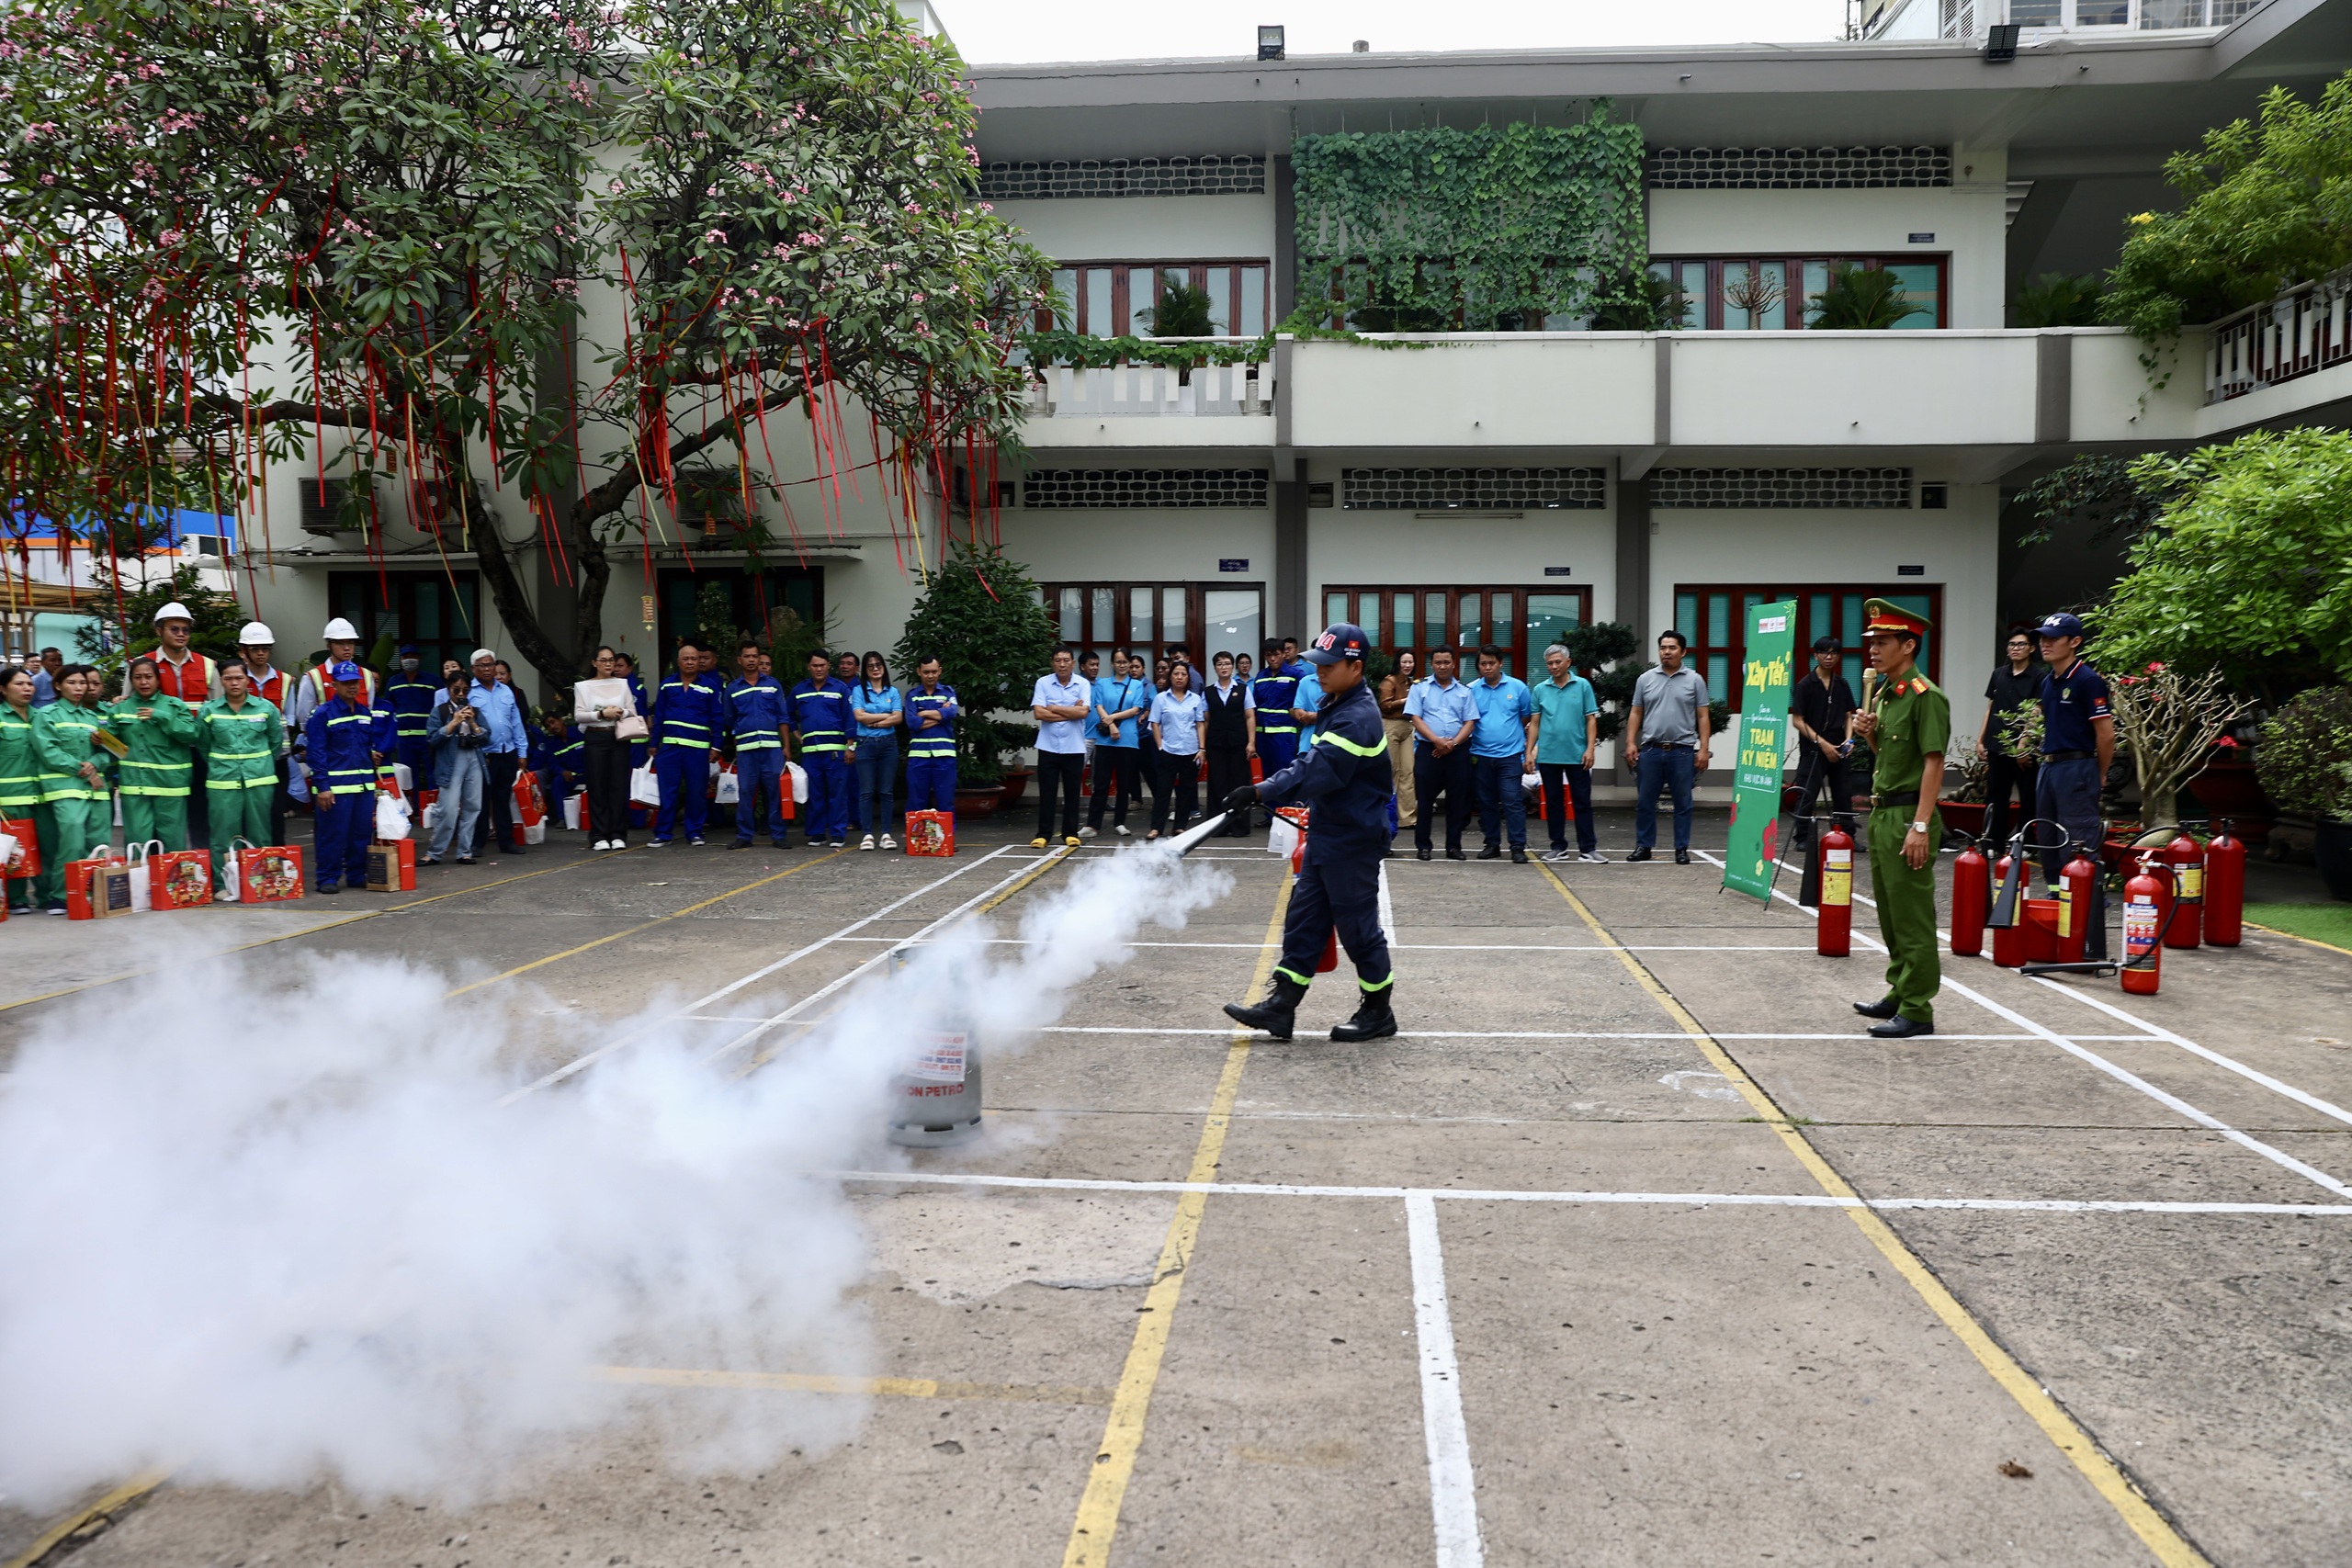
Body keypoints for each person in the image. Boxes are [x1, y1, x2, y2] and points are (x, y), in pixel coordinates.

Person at [1221, 623, 1397, 1043]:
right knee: (1304, 921)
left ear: (1355, 667)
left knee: (1358, 930)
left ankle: (1378, 1012)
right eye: (1317, 663)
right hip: (1329, 832)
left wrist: (1262, 789)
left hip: (1353, 840)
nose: (1318, 671)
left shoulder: (1357, 717)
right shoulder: (1337, 700)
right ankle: (1281, 1007)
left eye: (1328, 665)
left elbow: (1315, 768)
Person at [1849, 600, 1949, 1040]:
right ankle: (1899, 991)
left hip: (1910, 814)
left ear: (1908, 645)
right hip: (1883, 810)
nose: (1873, 649)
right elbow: (1889, 759)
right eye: (1871, 641)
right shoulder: (1889, 694)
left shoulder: (1927, 696)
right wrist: (1870, 736)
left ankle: (1918, 1009)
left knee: (1912, 917)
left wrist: (1921, 825)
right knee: (1890, 914)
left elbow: (1933, 764)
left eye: (1883, 641)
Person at [2031, 611, 2113, 886]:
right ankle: (2056, 895)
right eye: (2043, 637)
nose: (2046, 643)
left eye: (2054, 638)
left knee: (2077, 835)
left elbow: (2106, 735)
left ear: (2075, 641)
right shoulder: (2047, 681)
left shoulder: (2087, 680)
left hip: (2077, 766)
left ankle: (2085, 901)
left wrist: (2099, 773)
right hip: (2049, 765)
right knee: (2048, 833)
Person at [198, 659, 288, 890]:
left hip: (259, 780)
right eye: (228, 678)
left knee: (260, 834)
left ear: (247, 680)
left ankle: (260, 883)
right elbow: (204, 746)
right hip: (222, 782)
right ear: (221, 681)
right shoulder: (209, 711)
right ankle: (223, 884)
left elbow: (275, 743)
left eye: (239, 678)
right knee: (222, 837)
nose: (234, 683)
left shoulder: (266, 709)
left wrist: (259, 763)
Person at [303, 660, 390, 894]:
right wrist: (322, 787)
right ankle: (327, 878)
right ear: (334, 685)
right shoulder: (322, 714)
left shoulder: (364, 713)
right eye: (346, 683)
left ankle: (356, 874)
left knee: (361, 834)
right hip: (336, 789)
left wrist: (371, 755)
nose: (352, 687)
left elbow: (363, 745)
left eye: (355, 683)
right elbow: (316, 752)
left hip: (363, 787)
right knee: (332, 835)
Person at [1625, 630, 1710, 864]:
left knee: (1683, 802)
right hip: (1651, 750)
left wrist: (1703, 749)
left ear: (1683, 652)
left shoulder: (1695, 680)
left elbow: (1703, 716)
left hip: (1682, 750)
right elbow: (1636, 712)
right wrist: (1631, 742)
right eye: (1663, 648)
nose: (1666, 652)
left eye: (1672, 648)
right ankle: (1644, 846)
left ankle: (1681, 848)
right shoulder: (1645, 679)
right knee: (1645, 801)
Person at [33, 664, 112, 907]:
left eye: (82, 683)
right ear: (58, 686)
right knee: (72, 841)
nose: (79, 688)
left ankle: (95, 895)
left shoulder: (93, 717)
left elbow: (110, 752)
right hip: (66, 788)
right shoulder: (47, 715)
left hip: (96, 790)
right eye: (72, 683)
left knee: (98, 843)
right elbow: (48, 753)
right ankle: (61, 895)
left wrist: (96, 762)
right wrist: (85, 769)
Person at [107, 656, 200, 850]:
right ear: (131, 681)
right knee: (136, 844)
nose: (143, 682)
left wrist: (161, 717)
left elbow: (192, 734)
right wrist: (102, 740)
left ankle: (172, 881)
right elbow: (114, 747)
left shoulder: (174, 706)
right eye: (138, 677)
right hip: (135, 787)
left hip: (170, 786)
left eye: (148, 677)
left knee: (173, 845)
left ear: (158, 680)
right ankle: (140, 881)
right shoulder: (120, 709)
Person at [148, 601, 217, 849]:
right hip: (161, 751)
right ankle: (161, 868)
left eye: (185, 630)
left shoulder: (207, 665)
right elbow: (132, 707)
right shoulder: (144, 666)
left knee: (201, 809)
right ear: (159, 631)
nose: (180, 634)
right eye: (174, 629)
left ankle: (203, 869)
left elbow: (217, 710)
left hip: (198, 749)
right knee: (163, 813)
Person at [1527, 643, 1602, 863]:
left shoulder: (1582, 686)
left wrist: (1590, 749)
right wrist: (1529, 752)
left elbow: (1591, 719)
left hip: (1577, 755)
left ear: (1568, 662)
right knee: (1553, 803)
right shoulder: (1540, 689)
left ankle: (1588, 849)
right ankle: (1558, 846)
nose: (1553, 666)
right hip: (1548, 755)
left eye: (1558, 662)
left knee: (1582, 803)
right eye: (1549, 663)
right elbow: (1535, 723)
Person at [1405, 648, 1478, 861]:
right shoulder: (1420, 689)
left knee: (1457, 802)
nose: (1443, 666)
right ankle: (1423, 846)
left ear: (1453, 664)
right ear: (1432, 664)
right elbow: (1415, 718)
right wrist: (1437, 741)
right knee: (1426, 801)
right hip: (1429, 750)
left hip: (1457, 751)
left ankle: (1453, 846)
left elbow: (1470, 721)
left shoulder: (1465, 691)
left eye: (1446, 662)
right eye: (1438, 662)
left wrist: (1452, 743)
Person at [1789, 635, 1859, 853]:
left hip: (1839, 747)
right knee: (1807, 792)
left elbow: (1849, 715)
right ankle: (1803, 837)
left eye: (1834, 653)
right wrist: (1822, 743)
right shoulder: (1805, 684)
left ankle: (1847, 836)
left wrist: (1849, 739)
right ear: (1816, 655)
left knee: (1843, 793)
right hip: (1813, 747)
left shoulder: (1842, 684)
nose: (1829, 657)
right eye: (1824, 652)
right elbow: (1797, 720)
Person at [647, 637, 719, 847]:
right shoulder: (667, 685)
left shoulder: (710, 687)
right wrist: (654, 743)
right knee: (667, 791)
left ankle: (694, 832)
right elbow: (658, 716)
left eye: (694, 659)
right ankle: (663, 834)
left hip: (697, 749)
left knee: (696, 792)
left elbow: (717, 718)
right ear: (678, 662)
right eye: (686, 659)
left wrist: (716, 746)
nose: (690, 662)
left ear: (700, 662)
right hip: (669, 749)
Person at [1466, 646, 1534, 863]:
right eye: (1483, 664)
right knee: (1485, 802)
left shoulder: (1518, 687)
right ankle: (1492, 844)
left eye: (1491, 663)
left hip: (1510, 756)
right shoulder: (1472, 690)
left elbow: (1525, 718)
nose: (1487, 668)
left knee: (1512, 801)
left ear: (1500, 663)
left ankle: (1517, 847)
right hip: (1480, 755)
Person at [722, 638, 790, 851]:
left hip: (771, 748)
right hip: (746, 749)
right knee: (745, 793)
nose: (751, 660)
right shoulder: (733, 688)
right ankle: (744, 835)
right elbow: (729, 718)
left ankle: (778, 835)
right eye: (747, 656)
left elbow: (783, 717)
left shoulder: (772, 685)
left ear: (759, 659)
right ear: (739, 660)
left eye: (755, 656)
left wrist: (786, 746)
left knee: (774, 792)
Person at [1981, 629, 2041, 852]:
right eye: (2012, 644)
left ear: (2031, 648)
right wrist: (1981, 739)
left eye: (2021, 644)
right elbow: (1990, 708)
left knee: (2028, 797)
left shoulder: (2039, 677)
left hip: (2025, 749)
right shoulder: (1998, 674)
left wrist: (2023, 746)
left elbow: (2036, 711)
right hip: (1998, 744)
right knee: (1996, 795)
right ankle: (1994, 842)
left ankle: (2027, 844)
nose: (2015, 648)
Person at [786, 649, 854, 848]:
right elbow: (786, 715)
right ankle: (817, 833)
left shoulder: (840, 689)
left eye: (822, 665)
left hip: (835, 751)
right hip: (811, 753)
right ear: (809, 667)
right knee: (814, 794)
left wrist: (851, 747)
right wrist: (797, 735)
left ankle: (838, 833)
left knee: (837, 794)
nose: (818, 669)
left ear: (828, 666)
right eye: (815, 665)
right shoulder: (799, 690)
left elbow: (850, 719)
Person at [465, 648, 530, 856]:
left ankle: (507, 841)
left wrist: (522, 752)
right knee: (481, 800)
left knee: (503, 799)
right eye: (482, 665)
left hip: (507, 751)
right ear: (474, 669)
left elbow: (516, 723)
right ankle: (477, 843)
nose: (487, 669)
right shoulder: (469, 692)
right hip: (483, 754)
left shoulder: (506, 691)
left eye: (490, 665)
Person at [573, 644, 638, 851]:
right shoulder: (583, 687)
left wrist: (619, 712)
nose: (609, 664)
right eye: (604, 660)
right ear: (594, 663)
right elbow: (579, 715)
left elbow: (632, 711)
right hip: (595, 737)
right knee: (597, 786)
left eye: (612, 660)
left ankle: (618, 833)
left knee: (618, 786)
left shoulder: (622, 684)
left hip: (618, 736)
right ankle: (599, 835)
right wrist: (601, 714)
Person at [423, 669, 489, 866]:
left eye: (465, 691)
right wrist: (453, 723)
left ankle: (465, 851)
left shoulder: (474, 711)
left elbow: (486, 738)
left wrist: (473, 723)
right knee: (448, 809)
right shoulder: (440, 711)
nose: (461, 695)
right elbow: (432, 738)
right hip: (451, 760)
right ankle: (435, 852)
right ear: (448, 690)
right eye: (456, 690)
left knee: (473, 806)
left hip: (473, 758)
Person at [2, 666, 55, 911]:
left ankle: (46, 895)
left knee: (47, 846)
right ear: (3, 689)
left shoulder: (42, 716)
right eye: (19, 684)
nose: (26, 688)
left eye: (30, 684)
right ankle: (17, 898)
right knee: (15, 851)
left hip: (44, 795)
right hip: (11, 797)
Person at [237, 623, 294, 848]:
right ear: (244, 651)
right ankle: (247, 861)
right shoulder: (237, 678)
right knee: (244, 813)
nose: (261, 653)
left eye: (265, 648)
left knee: (275, 811)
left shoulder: (286, 680)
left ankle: (277, 863)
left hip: (277, 759)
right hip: (245, 759)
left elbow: (289, 718)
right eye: (255, 648)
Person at [1029, 646, 1091, 848]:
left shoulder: (1082, 684)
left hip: (1074, 746)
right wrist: (1070, 710)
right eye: (1058, 660)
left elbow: (1083, 713)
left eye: (1066, 660)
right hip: (1048, 746)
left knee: (1073, 792)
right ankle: (1043, 833)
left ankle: (1070, 833)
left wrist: (1054, 707)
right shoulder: (1043, 683)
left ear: (1073, 663)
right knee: (1047, 792)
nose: (1062, 664)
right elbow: (1039, 714)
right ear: (1052, 663)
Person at [1085, 650, 1148, 838]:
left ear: (1130, 664)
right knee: (1101, 783)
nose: (1122, 665)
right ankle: (1092, 824)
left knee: (1124, 784)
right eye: (1118, 661)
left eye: (1125, 662)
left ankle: (1120, 822)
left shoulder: (1136, 685)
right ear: (1112, 663)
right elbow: (1098, 706)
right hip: (1105, 740)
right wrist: (1112, 725)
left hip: (1128, 741)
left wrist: (1111, 718)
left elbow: (1135, 709)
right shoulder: (1102, 683)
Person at [852, 650, 904, 851]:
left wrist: (874, 720)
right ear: (865, 670)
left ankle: (886, 833)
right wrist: (885, 717)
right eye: (870, 666)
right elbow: (859, 717)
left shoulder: (892, 691)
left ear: (884, 667)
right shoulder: (858, 691)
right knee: (866, 791)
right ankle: (867, 834)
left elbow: (898, 718)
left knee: (886, 791)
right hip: (865, 743)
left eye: (879, 665)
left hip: (888, 744)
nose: (875, 669)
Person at [1148, 660, 1206, 840]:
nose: (1179, 677)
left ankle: (1180, 826)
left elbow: (1200, 725)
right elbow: (1155, 723)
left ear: (1188, 678)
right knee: (1163, 790)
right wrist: (1160, 746)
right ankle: (1156, 827)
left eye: (1183, 674)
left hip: (1190, 750)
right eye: (1176, 674)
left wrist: (1202, 748)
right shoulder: (1161, 698)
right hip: (1168, 750)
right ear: (1170, 676)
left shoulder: (1195, 699)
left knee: (1186, 790)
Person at [1202, 650, 1255, 838]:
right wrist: (1204, 746)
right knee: (1217, 784)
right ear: (1215, 668)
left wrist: (1251, 743)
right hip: (1216, 744)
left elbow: (1249, 716)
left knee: (1239, 784)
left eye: (1227, 664)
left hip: (1239, 743)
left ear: (1232, 667)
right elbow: (1206, 720)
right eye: (1219, 664)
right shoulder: (1208, 692)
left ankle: (1239, 826)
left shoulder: (1243, 689)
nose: (1223, 667)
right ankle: (1218, 827)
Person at [903, 658, 959, 829]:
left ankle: (948, 840)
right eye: (926, 672)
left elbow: (952, 712)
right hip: (919, 755)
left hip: (945, 754)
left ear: (940, 671)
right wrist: (940, 716)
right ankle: (915, 841)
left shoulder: (948, 692)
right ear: (919, 672)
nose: (930, 675)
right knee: (916, 800)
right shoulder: (912, 695)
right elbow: (911, 723)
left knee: (946, 800)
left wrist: (924, 713)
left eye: (934, 671)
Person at [383, 644, 439, 795]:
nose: (409, 660)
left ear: (419, 658)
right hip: (403, 739)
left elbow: (441, 704)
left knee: (431, 773)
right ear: (401, 660)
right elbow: (388, 708)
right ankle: (413, 810)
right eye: (405, 657)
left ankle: (433, 807)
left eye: (412, 656)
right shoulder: (393, 682)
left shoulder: (432, 680)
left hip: (427, 737)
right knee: (408, 775)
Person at [1250, 636, 1304, 786]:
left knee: (1284, 775)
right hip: (1262, 735)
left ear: (1283, 654)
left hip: (1283, 735)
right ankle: (1269, 811)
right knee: (1266, 778)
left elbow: (1307, 697)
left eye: (1276, 654)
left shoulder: (1296, 675)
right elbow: (1255, 705)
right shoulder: (1260, 676)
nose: (1272, 659)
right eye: (1268, 655)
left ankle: (1283, 810)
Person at [1377, 650, 1419, 832]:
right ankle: (1389, 815)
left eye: (1410, 662)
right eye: (1404, 662)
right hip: (1390, 726)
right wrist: (1405, 700)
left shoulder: (1412, 683)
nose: (1408, 665)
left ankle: (1408, 818)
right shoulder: (1390, 681)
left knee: (1408, 772)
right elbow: (1384, 705)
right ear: (1398, 663)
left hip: (1407, 726)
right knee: (1391, 772)